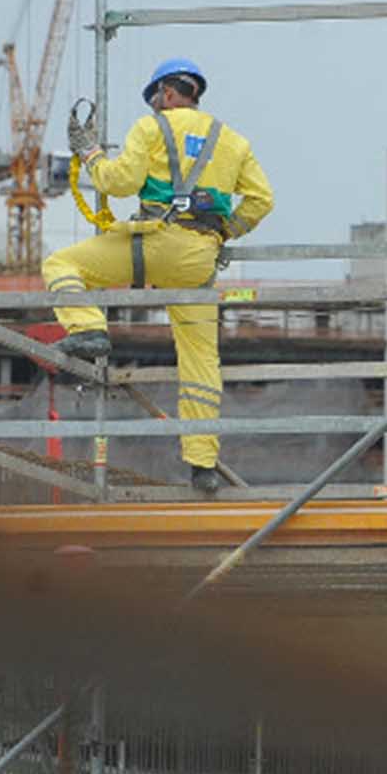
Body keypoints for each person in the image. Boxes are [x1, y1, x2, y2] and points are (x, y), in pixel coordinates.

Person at [50, 58, 275, 496]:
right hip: (197, 257)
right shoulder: (232, 141)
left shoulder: (150, 127)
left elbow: (119, 182)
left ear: (167, 93)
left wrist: (90, 153)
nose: (154, 105)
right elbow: (261, 201)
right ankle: (202, 464)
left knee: (61, 266)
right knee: (200, 360)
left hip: (150, 245)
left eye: (155, 98)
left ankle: (88, 328)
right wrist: (224, 231)